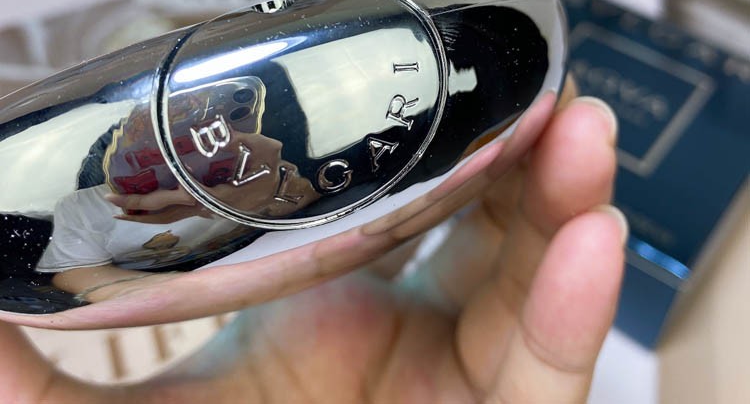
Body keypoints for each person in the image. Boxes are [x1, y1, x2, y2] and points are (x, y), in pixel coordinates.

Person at [0, 84, 626, 403]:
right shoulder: (85, 209)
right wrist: (166, 225)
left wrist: (273, 198)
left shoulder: (263, 166)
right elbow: (67, 281)